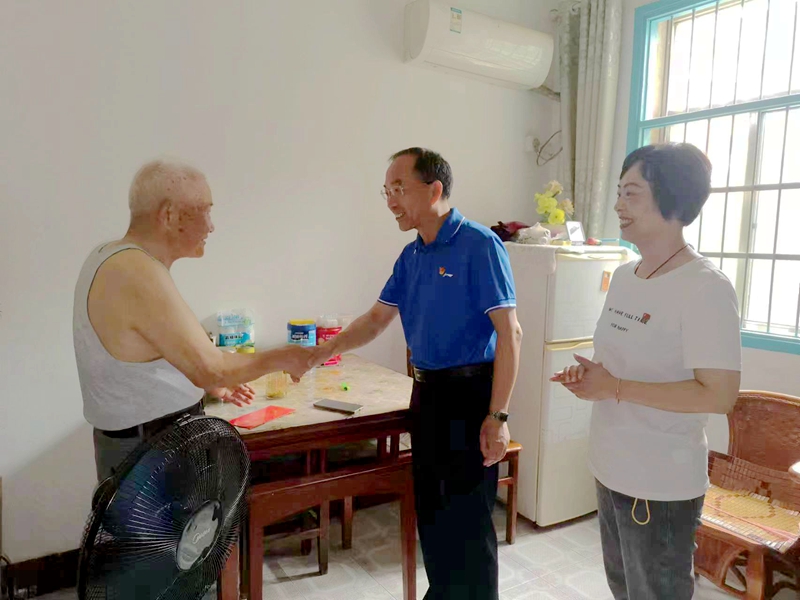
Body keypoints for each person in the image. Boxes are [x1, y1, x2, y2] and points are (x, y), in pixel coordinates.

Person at [311, 147, 523, 600]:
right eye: (386, 191)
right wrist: (322, 351)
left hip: (471, 396)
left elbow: (511, 334)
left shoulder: (479, 244)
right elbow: (376, 320)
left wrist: (498, 416)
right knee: (433, 512)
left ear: (434, 189)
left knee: (468, 524)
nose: (391, 200)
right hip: (426, 395)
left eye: (399, 188)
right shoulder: (411, 256)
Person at [552, 143, 741, 600]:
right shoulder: (625, 276)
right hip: (609, 465)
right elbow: (620, 364)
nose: (618, 204)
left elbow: (718, 395)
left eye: (631, 193)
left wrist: (615, 387)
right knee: (623, 588)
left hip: (660, 482)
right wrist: (592, 380)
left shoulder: (705, 287)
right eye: (619, 192)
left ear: (672, 200)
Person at [73, 159, 313, 482]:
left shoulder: (113, 256)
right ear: (169, 215)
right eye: (205, 210)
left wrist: (209, 382)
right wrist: (286, 356)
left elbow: (151, 349)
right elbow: (212, 368)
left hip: (148, 445)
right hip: (151, 453)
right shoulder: (134, 271)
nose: (211, 226)